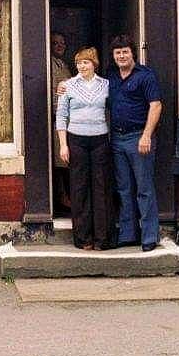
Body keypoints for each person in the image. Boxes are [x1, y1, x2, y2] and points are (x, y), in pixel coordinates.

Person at [105, 33, 163, 250]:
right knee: (123, 188)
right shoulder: (110, 77)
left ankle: (149, 236)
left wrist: (147, 135)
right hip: (117, 139)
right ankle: (128, 233)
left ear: (133, 53)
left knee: (144, 188)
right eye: (117, 52)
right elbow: (88, 86)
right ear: (113, 55)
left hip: (139, 138)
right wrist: (65, 85)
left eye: (125, 52)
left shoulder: (145, 75)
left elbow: (155, 105)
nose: (121, 56)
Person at [55, 47, 115, 251]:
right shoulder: (67, 86)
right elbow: (61, 116)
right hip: (76, 140)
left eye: (86, 62)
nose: (82, 66)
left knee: (101, 188)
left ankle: (102, 239)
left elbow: (113, 110)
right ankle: (83, 239)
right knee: (79, 188)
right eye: (79, 62)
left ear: (94, 64)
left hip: (99, 139)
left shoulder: (106, 85)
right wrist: (63, 144)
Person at [49, 32, 73, 212]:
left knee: (65, 160)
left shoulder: (63, 64)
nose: (60, 46)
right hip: (57, 117)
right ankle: (61, 198)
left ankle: (65, 196)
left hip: (67, 118)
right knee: (59, 161)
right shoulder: (49, 64)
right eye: (55, 43)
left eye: (62, 43)